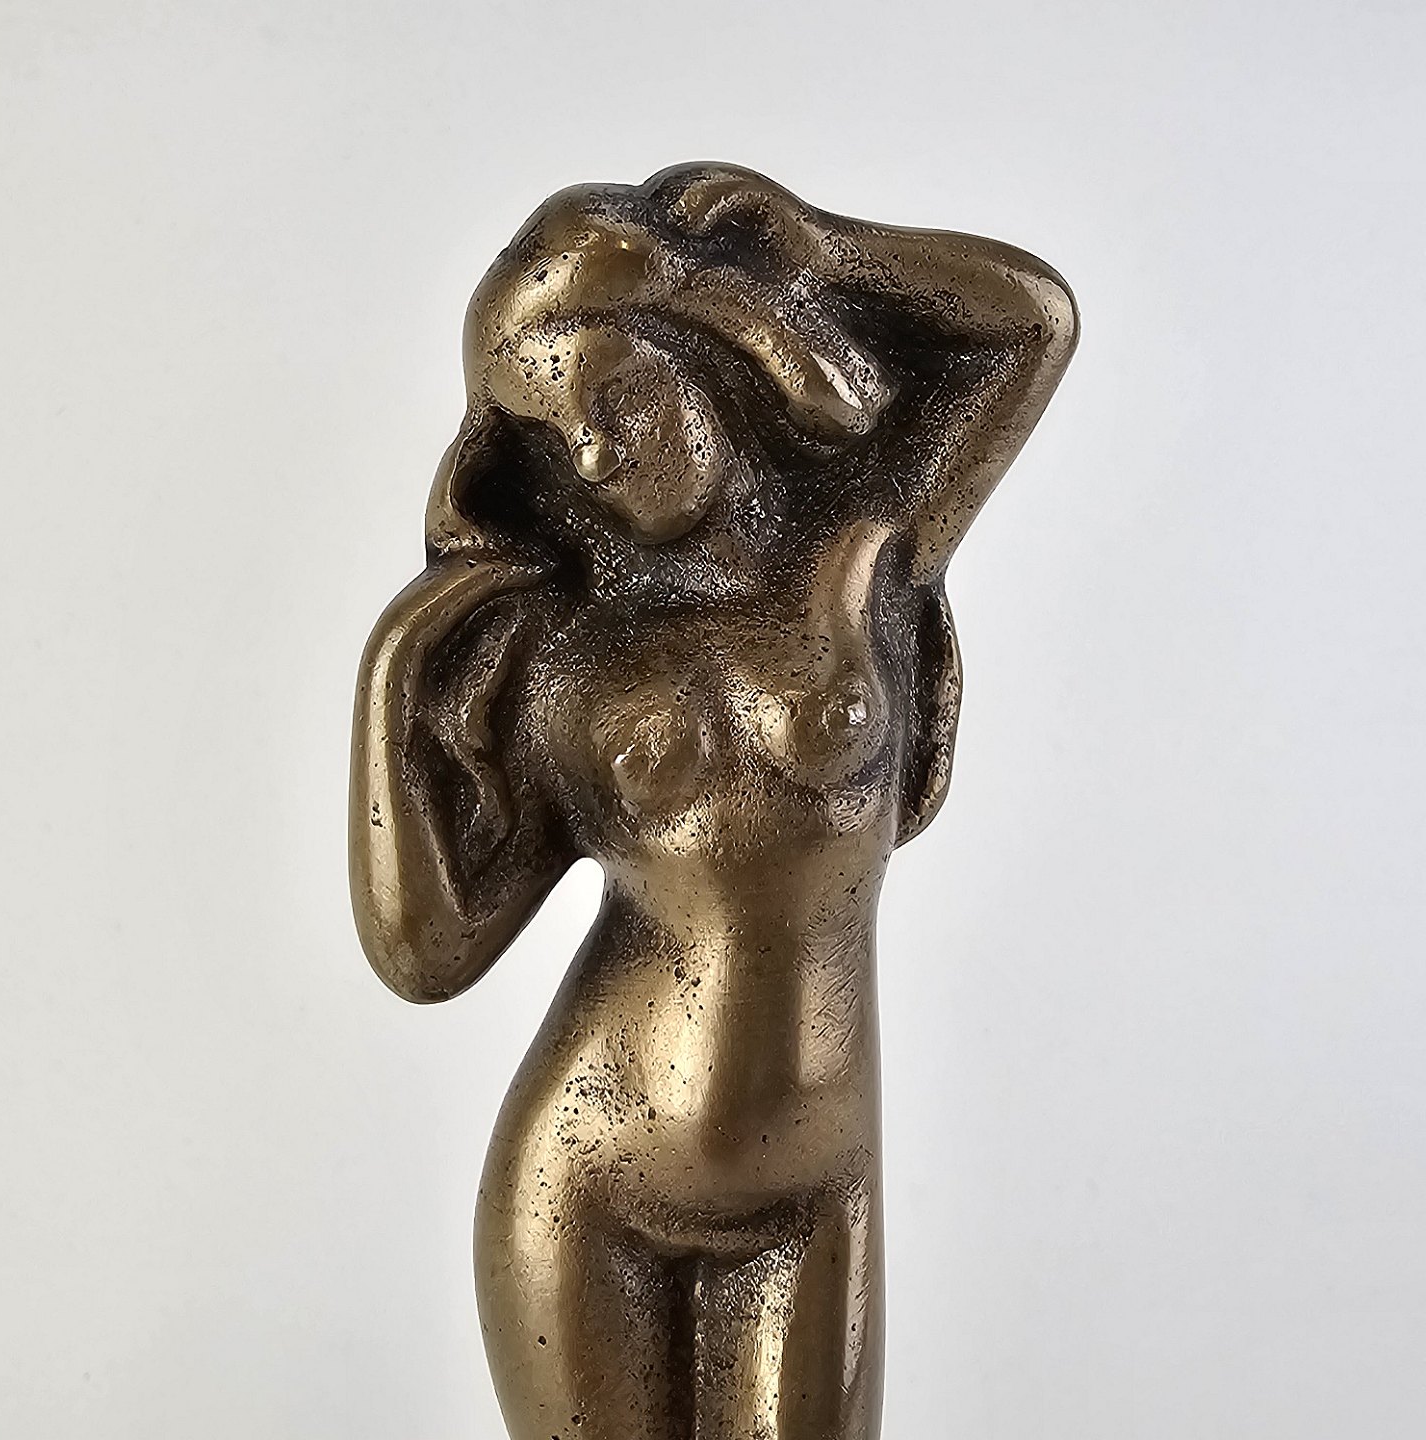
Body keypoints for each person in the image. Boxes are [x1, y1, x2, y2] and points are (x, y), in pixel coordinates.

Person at [349, 163, 1077, 1440]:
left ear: (706, 351)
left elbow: (1032, 325)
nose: (595, 452)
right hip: (589, 1178)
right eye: (559, 435)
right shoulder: (569, 650)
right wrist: (392, 683)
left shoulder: (865, 548)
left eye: (614, 397)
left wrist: (811, 255)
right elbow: (427, 955)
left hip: (816, 1181)